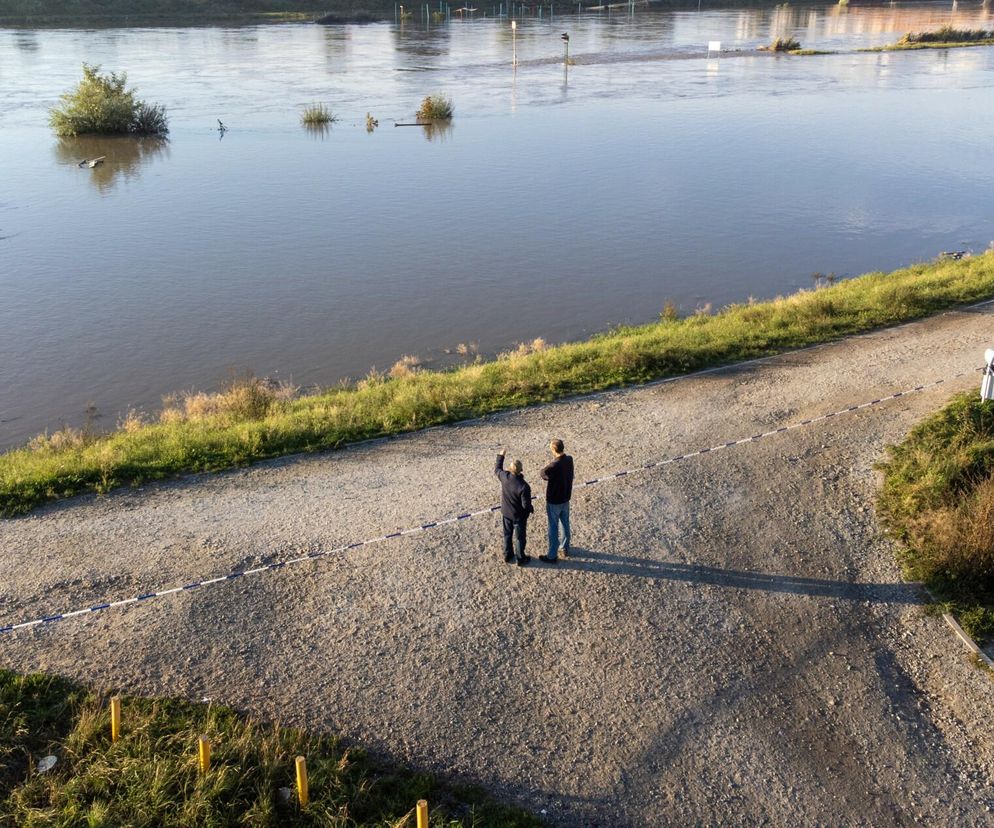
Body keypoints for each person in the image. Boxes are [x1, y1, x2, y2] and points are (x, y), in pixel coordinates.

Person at [494, 449, 533, 566]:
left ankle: (508, 555)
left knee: (507, 535)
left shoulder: (504, 477)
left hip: (506, 513)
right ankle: (520, 558)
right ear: (521, 470)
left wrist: (501, 456)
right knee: (520, 538)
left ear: (510, 469)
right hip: (518, 517)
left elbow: (497, 469)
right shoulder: (524, 486)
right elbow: (525, 505)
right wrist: (530, 509)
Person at [540, 438, 574, 564]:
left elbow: (543, 473)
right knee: (565, 523)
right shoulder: (569, 459)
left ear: (554, 449)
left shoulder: (554, 465)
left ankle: (552, 555)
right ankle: (565, 547)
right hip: (566, 497)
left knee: (553, 527)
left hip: (554, 501)